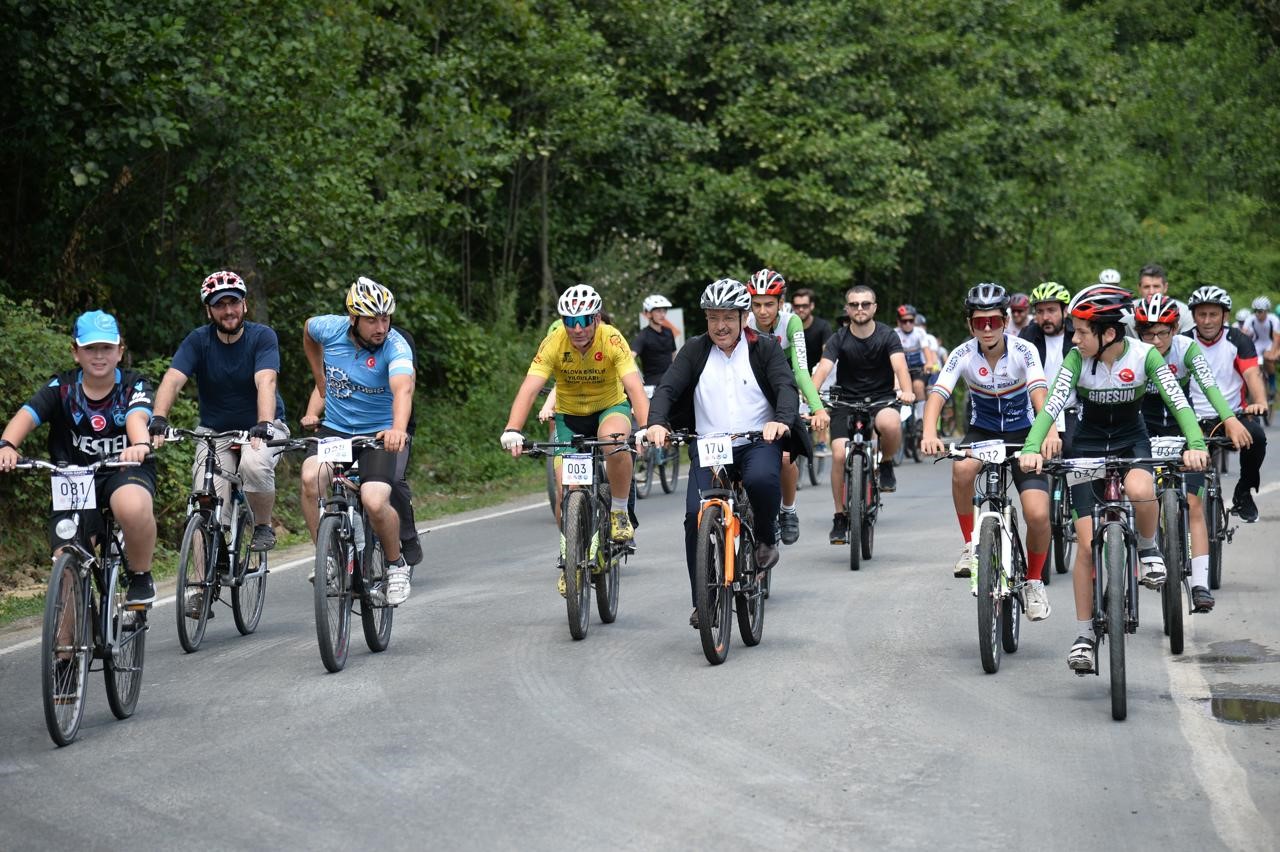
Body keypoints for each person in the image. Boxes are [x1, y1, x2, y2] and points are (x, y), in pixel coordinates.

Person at [1019, 284, 1208, 673]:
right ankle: (1085, 635)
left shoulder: (1144, 356)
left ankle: (1148, 548)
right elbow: (1053, 403)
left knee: (1140, 488)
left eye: (1082, 331)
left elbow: (1179, 402)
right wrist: (1032, 446)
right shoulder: (1076, 359)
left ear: (1108, 334)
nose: (1074, 338)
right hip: (1085, 445)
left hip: (1131, 440)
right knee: (1086, 546)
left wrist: (1195, 443)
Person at [642, 278, 800, 628]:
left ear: (744, 318)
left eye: (728, 317)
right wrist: (656, 422)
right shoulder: (695, 350)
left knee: (760, 479)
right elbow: (668, 387)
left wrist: (781, 421)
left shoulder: (765, 347)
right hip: (711, 445)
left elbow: (785, 387)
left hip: (757, 439)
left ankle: (764, 538)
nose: (721, 326)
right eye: (713, 318)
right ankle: (705, 599)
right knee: (692, 518)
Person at [0, 311, 158, 605]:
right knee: (67, 557)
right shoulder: (61, 388)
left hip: (124, 468)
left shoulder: (134, 385)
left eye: (107, 348)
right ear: (75, 352)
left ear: (120, 351)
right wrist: (7, 445)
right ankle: (65, 649)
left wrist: (139, 444)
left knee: (132, 506)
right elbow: (27, 415)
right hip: (74, 479)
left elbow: (138, 417)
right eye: (90, 349)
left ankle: (140, 575)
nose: (99, 356)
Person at [501, 285, 649, 595]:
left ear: (596, 318)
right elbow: (529, 388)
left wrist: (648, 426)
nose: (577, 328)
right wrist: (513, 428)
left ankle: (619, 511)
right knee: (565, 491)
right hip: (569, 418)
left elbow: (634, 386)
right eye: (570, 321)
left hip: (609, 408)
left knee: (613, 441)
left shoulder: (611, 338)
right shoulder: (555, 341)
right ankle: (572, 555)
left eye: (584, 320)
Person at [921, 284, 1052, 620]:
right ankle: (970, 544)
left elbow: (1040, 395)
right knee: (962, 470)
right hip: (983, 432)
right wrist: (928, 432)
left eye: (994, 320)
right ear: (970, 325)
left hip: (1026, 435)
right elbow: (938, 395)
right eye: (980, 323)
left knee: (1037, 515)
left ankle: (1035, 581)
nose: (988, 328)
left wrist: (1047, 434)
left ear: (1005, 320)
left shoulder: (1024, 351)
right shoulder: (962, 354)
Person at [149, 270, 289, 554]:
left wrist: (263, 423)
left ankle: (262, 525)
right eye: (219, 305)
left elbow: (266, 380)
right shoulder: (198, 340)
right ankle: (198, 590)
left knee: (254, 464)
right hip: (216, 432)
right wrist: (159, 417)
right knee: (205, 496)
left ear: (244, 304)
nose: (228, 311)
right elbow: (173, 379)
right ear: (208, 310)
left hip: (261, 427)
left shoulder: (262, 337)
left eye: (233, 302)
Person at [300, 277, 415, 605]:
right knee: (311, 478)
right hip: (335, 430)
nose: (381, 327)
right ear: (353, 319)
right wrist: (319, 377)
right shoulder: (330, 328)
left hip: (377, 434)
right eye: (372, 320)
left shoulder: (395, 346)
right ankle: (329, 559)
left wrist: (397, 428)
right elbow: (308, 331)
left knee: (375, 500)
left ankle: (396, 564)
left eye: (385, 318)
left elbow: (403, 389)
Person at [1134, 294, 1250, 612]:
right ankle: (1135, 562)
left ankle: (1199, 584)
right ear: (1138, 332)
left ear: (1175, 330)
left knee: (1194, 503)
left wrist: (1229, 418)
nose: (1156, 340)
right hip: (1143, 431)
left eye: (1163, 333)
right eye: (1148, 333)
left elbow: (1209, 386)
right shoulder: (1134, 352)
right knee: (1138, 496)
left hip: (1182, 430)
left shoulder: (1187, 349)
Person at [811, 285, 914, 543]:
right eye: (854, 304)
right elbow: (823, 370)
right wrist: (813, 399)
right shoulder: (838, 338)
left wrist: (907, 391)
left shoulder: (888, 335)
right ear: (847, 309)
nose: (860, 309)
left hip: (881, 399)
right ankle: (840, 517)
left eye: (865, 304)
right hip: (845, 401)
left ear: (874, 307)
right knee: (837, 453)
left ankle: (887, 462)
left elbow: (900, 366)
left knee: (890, 423)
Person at [745, 269, 828, 545]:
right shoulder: (743, 323)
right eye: (757, 304)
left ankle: (788, 510)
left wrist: (816, 408)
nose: (763, 311)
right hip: (753, 391)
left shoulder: (791, 323)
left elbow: (802, 371)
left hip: (784, 392)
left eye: (769, 304)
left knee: (783, 458)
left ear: (781, 303)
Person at [1184, 285, 1269, 523]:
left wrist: (1260, 401)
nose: (1208, 321)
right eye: (1202, 314)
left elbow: (1252, 374)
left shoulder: (1238, 340)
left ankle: (1244, 492)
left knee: (1257, 437)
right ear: (1194, 316)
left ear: (1225, 316)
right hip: (1192, 418)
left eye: (1213, 314)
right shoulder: (1183, 342)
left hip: (1232, 416)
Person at [1020, 281, 1077, 454]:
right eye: (1040, 311)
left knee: (1074, 454)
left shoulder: (1077, 334)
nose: (1045, 317)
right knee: (1032, 458)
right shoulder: (1027, 336)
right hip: (1037, 410)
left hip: (1070, 410)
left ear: (1065, 311)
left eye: (1051, 310)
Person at [793, 287, 834, 456]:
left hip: (818, 370)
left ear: (812, 306)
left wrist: (814, 378)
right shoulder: (789, 325)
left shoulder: (822, 327)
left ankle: (822, 441)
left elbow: (827, 354)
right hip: (794, 371)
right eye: (797, 306)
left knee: (821, 398)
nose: (800, 309)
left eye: (804, 305)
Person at [892, 303, 936, 423]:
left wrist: (929, 363)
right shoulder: (894, 333)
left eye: (911, 321)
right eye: (904, 321)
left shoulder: (919, 332)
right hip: (901, 368)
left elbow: (926, 351)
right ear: (898, 322)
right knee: (896, 388)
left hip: (918, 367)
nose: (908, 324)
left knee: (918, 386)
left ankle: (920, 418)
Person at [631, 294, 678, 386]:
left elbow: (674, 355)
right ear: (648, 313)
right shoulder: (643, 335)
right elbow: (629, 357)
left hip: (670, 378)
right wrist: (638, 378)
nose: (663, 314)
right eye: (658, 311)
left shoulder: (668, 332)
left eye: (664, 311)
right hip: (653, 382)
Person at [1136, 263, 1194, 333]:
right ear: (1139, 288)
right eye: (1146, 287)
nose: (1151, 292)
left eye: (1156, 286)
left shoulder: (1184, 312)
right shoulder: (1128, 311)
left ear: (1165, 287)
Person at [1243, 296, 1280, 399]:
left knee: (1268, 359)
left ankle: (1272, 385)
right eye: (1255, 311)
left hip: (1269, 343)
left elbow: (1276, 338)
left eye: (1260, 311)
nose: (1257, 314)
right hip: (1258, 343)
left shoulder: (1273, 319)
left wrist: (1272, 353)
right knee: (1253, 364)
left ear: (1266, 311)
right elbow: (1243, 334)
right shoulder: (1251, 318)